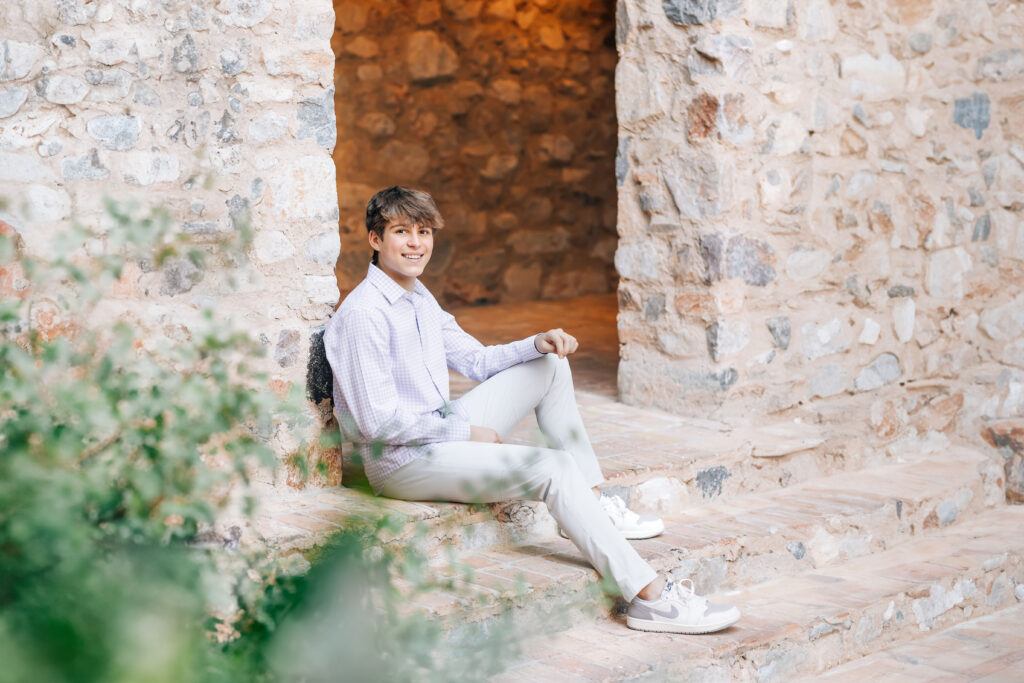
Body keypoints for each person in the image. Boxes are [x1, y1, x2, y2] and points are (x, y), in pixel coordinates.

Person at [323, 186, 740, 634]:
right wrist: (466, 434)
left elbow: (476, 361)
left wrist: (535, 343)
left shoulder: (419, 297)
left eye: (423, 232)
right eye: (401, 231)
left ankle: (593, 504)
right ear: (375, 239)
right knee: (552, 466)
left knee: (549, 366)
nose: (416, 243)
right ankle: (648, 598)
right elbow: (376, 425)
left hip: (441, 430)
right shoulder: (364, 314)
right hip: (402, 462)